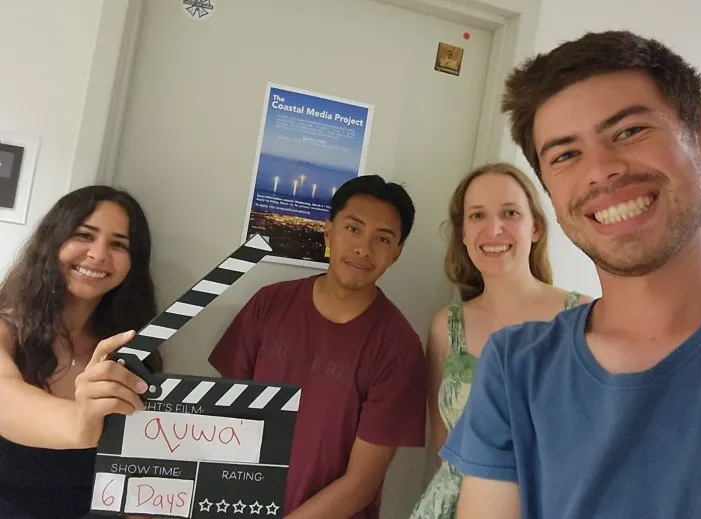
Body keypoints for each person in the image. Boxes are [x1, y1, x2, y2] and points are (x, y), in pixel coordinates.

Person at [440, 30, 701, 518]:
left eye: (629, 131)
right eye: (565, 155)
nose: (601, 171)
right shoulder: (517, 368)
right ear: (552, 199)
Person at [208, 174, 427, 519]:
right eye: (353, 229)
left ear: (397, 253)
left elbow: (360, 485)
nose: (363, 249)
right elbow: (224, 424)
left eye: (382, 239)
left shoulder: (400, 348)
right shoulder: (269, 304)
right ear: (328, 231)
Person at [409, 162, 588, 519]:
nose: (494, 229)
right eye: (477, 216)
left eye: (510, 213)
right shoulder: (448, 327)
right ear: (462, 232)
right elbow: (444, 447)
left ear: (535, 227)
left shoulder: (581, 318)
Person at [0, 185, 161, 518]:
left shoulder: (131, 351)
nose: (99, 254)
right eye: (84, 235)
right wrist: (80, 420)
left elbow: (132, 472)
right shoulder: (5, 326)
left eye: (118, 244)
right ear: (53, 240)